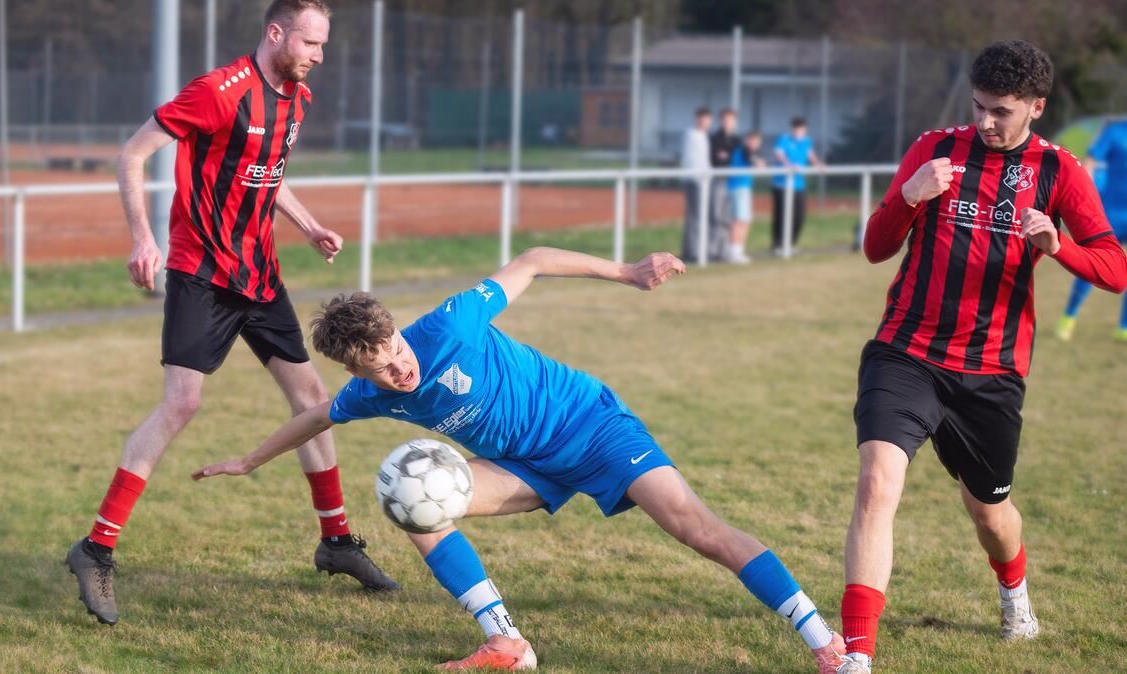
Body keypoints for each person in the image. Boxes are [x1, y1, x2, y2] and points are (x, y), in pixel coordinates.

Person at [192, 246, 852, 673]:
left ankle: (826, 644)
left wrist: (627, 273)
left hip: (592, 427)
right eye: (380, 368)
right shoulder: (372, 394)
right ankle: (506, 642)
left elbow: (532, 260)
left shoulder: (451, 325)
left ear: (397, 328)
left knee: (694, 528)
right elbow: (316, 415)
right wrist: (250, 461)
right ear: (357, 369)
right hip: (526, 468)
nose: (400, 370)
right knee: (416, 503)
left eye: (395, 351)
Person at [65, 0, 399, 627]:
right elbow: (132, 155)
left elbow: (266, 176)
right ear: (275, 34)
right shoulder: (219, 92)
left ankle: (336, 542)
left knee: (313, 400)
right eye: (310, 43)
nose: (318, 57)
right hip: (201, 275)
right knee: (181, 404)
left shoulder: (296, 100)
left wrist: (308, 226)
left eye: (324, 46)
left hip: (261, 276)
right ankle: (95, 548)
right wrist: (143, 238)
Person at [837, 41, 1127, 673]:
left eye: (1001, 111)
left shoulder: (1060, 172)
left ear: (1036, 107)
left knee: (990, 514)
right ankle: (857, 657)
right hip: (905, 352)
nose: (986, 122)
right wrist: (909, 196)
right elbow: (874, 248)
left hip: (992, 372)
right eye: (978, 107)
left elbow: (1115, 268)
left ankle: (1014, 593)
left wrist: (1058, 246)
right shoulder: (934, 150)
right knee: (876, 484)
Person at [1055, 117, 1127, 342]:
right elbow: (1092, 160)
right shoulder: (1115, 132)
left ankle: (1123, 328)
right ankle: (1069, 316)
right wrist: (1085, 193)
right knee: (1095, 266)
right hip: (1111, 214)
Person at [771, 117, 822, 254]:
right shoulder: (784, 139)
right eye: (796, 129)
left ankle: (791, 243)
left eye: (801, 129)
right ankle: (778, 245)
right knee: (781, 215)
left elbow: (810, 155)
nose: (799, 132)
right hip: (781, 184)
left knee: (799, 215)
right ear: (792, 129)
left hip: (798, 184)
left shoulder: (806, 141)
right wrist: (788, 165)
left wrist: (818, 164)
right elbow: (779, 154)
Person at [727, 130, 766, 263]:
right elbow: (752, 160)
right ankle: (734, 252)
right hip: (738, 188)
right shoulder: (743, 150)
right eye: (753, 140)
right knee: (738, 221)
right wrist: (759, 163)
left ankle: (738, 251)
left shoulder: (747, 151)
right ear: (747, 140)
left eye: (757, 141)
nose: (755, 144)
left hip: (744, 188)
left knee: (744, 221)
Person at [680, 107, 712, 263]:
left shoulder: (703, 136)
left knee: (700, 216)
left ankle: (697, 249)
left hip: (703, 181)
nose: (704, 122)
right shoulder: (692, 135)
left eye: (706, 119)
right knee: (695, 216)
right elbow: (694, 160)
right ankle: (692, 251)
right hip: (695, 180)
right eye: (702, 118)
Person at [709, 108, 741, 262]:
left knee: (729, 217)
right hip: (718, 180)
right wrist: (725, 157)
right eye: (725, 119)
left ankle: (724, 250)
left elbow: (736, 158)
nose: (727, 123)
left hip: (733, 182)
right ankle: (713, 250)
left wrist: (727, 157)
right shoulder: (714, 138)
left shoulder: (737, 140)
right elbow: (716, 159)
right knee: (716, 216)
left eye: (730, 120)